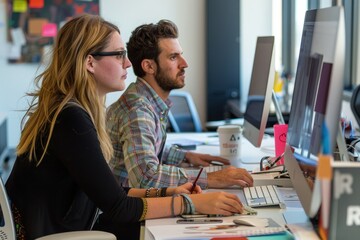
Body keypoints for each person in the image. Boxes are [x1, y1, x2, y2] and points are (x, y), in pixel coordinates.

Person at [5, 14, 245, 240]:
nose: (129, 63)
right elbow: (119, 206)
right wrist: (192, 203)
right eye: (119, 54)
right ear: (90, 62)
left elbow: (111, 192)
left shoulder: (71, 110)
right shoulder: (70, 119)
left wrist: (168, 193)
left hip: (69, 222)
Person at [106, 19, 253, 190]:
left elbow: (148, 147)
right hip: (129, 211)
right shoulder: (137, 110)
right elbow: (146, 178)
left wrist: (185, 156)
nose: (184, 64)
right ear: (149, 66)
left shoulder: (144, 99)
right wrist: (209, 177)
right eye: (173, 57)